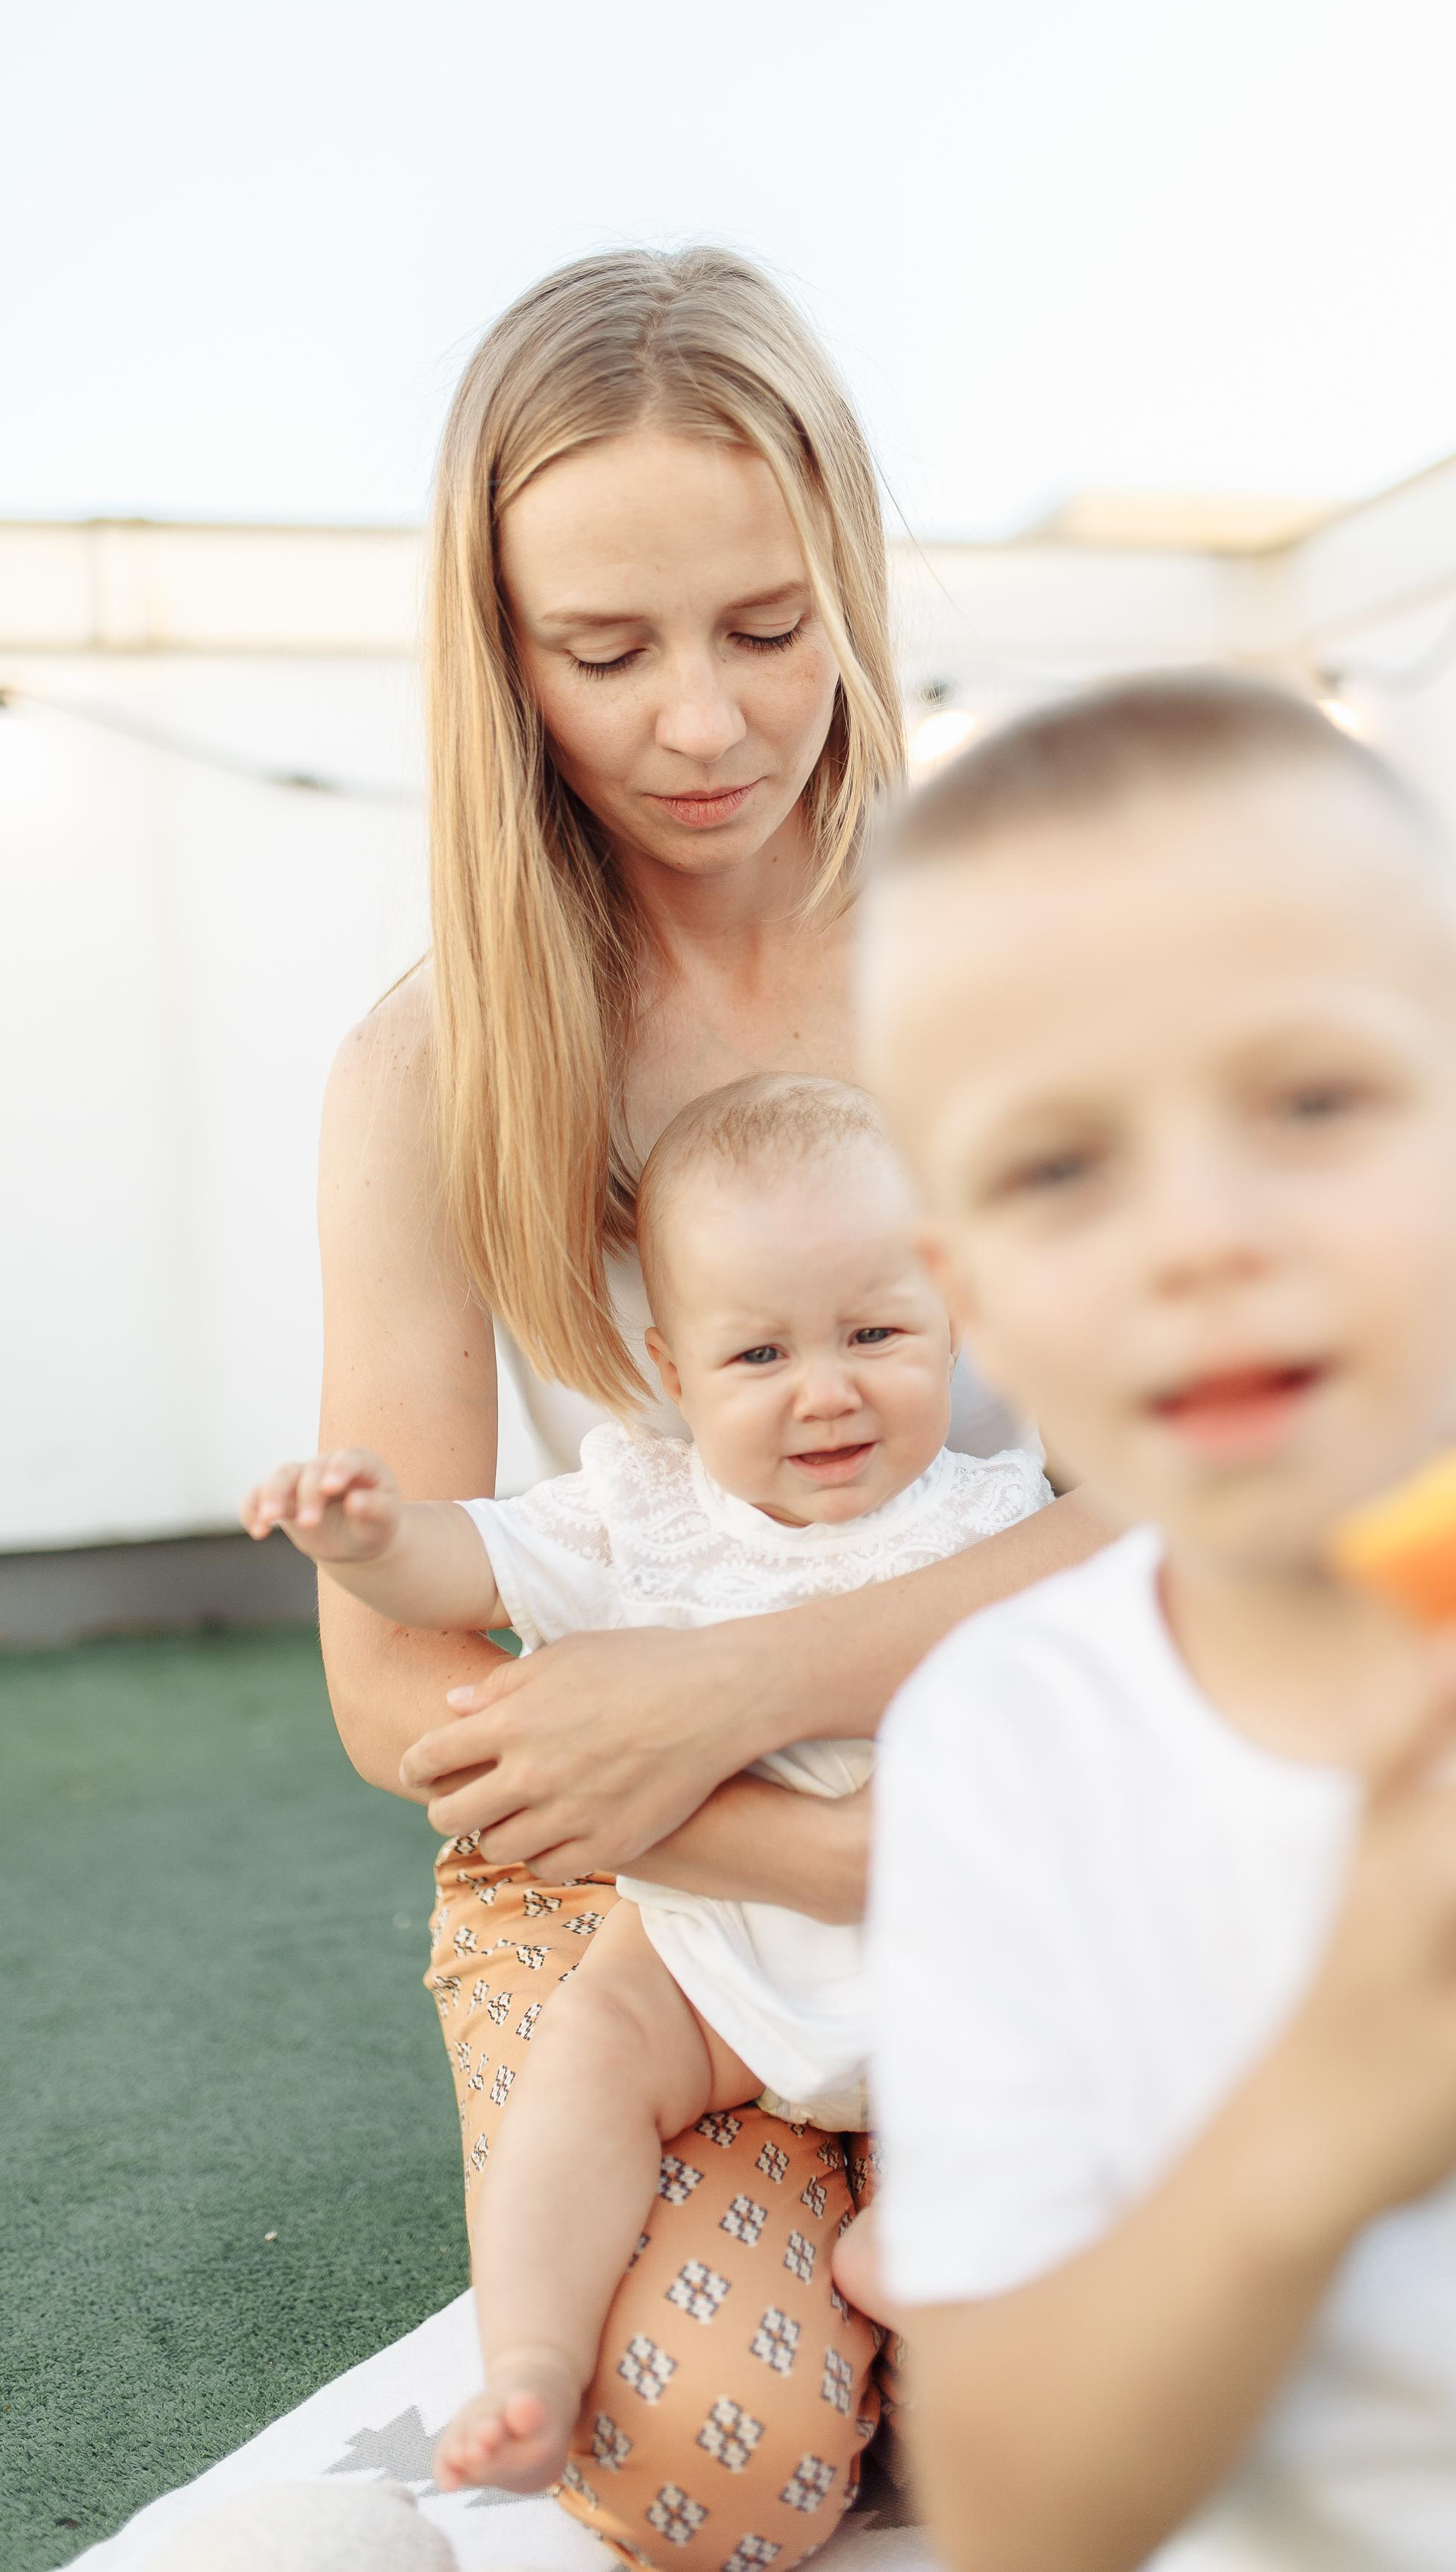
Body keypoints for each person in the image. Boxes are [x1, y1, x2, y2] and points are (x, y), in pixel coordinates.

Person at [315, 243, 1103, 2566]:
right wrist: (756, 1831)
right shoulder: (433, 1060)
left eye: (765, 627)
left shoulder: (1026, 955)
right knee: (709, 2463)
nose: (697, 724)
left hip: (1003, 1818)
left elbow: (1180, 1496)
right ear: (498, 655)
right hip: (651, 1890)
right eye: (603, 650)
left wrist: (750, 1692)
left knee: (1067, 2429)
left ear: (849, 576)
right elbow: (400, 1681)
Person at [861, 672, 1456, 2572]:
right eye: (1057, 1165)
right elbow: (1009, 2507)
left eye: (1308, 1101)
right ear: (969, 1301)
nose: (1197, 1234)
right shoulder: (1003, 1748)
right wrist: (1320, 2109)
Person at [253, 1076, 1048, 2519]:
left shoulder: (994, 1513)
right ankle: (533, 2360)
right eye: (758, 1353)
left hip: (951, 1962)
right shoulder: (643, 1509)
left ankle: (914, 2251)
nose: (826, 1389)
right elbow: (461, 1567)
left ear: (952, 1318)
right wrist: (366, 1535)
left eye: (876, 1334)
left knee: (1063, 2067)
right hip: (705, 1952)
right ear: (673, 1372)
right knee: (587, 2059)